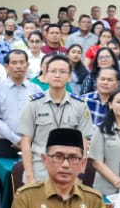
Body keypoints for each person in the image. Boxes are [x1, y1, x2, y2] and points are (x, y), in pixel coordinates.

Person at [17, 56, 93, 185]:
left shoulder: (80, 105)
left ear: (69, 77)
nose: (57, 75)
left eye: (62, 72)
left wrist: (79, 176)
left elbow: (84, 144)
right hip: (39, 172)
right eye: (53, 71)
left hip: (69, 173)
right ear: (45, 75)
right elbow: (26, 142)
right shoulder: (34, 103)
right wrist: (29, 176)